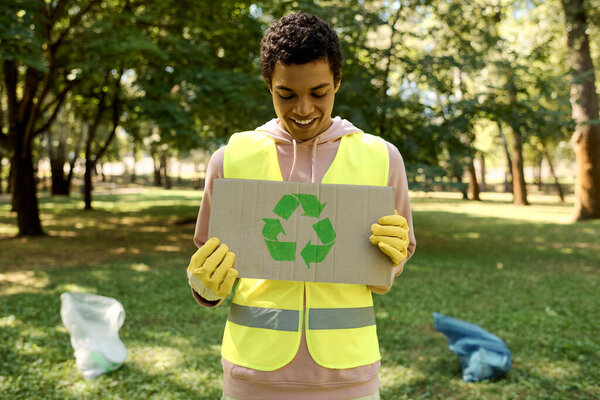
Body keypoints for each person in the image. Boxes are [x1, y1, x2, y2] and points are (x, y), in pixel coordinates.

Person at [187, 12, 416, 400]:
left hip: (349, 376)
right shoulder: (231, 158)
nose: (304, 109)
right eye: (286, 95)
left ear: (338, 82)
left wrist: (392, 260)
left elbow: (391, 265)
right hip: (252, 374)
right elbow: (210, 265)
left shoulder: (381, 158)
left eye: (319, 93)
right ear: (269, 86)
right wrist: (203, 286)